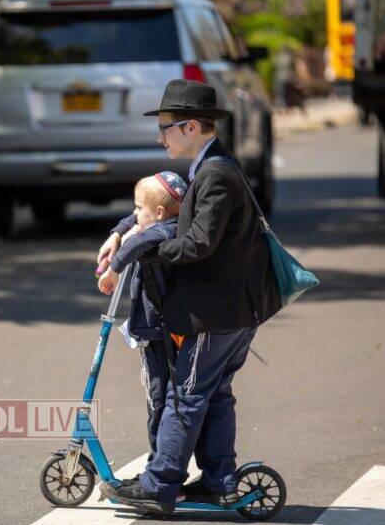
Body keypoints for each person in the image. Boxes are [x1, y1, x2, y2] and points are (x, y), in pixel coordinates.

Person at [97, 79, 282, 515]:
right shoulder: (212, 166)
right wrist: (124, 231)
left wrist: (141, 251)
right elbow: (163, 210)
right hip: (234, 310)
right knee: (213, 395)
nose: (160, 137)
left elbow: (198, 243)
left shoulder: (215, 173)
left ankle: (160, 485)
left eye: (165, 127)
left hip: (217, 313)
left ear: (192, 126)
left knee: (186, 396)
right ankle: (219, 481)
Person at [96, 172, 186, 465]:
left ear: (159, 213)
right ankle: (164, 463)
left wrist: (113, 269)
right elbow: (136, 223)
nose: (134, 214)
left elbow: (140, 241)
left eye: (138, 208)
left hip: (160, 332)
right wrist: (118, 233)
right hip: (158, 330)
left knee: (159, 400)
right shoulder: (170, 221)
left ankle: (161, 466)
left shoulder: (164, 233)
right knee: (162, 399)